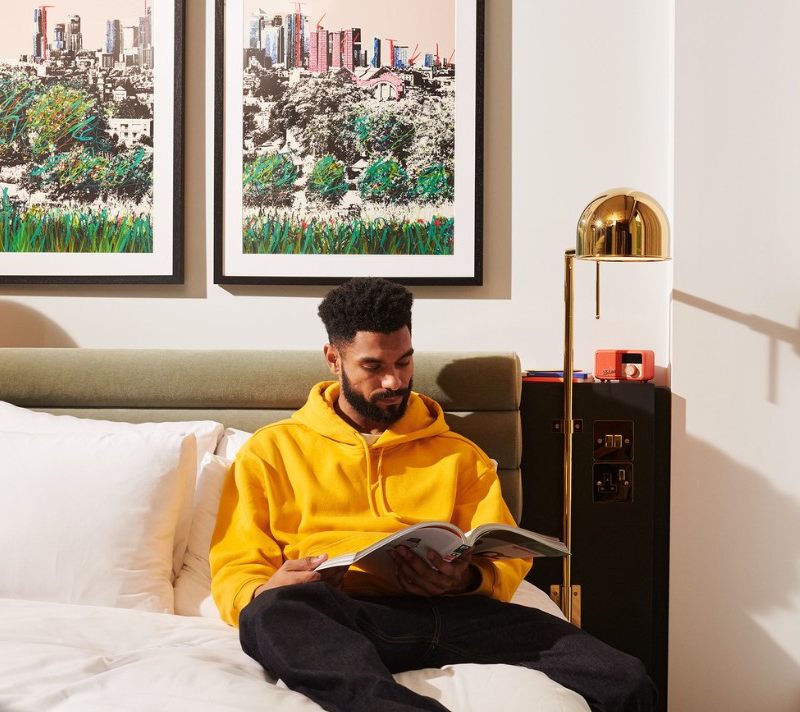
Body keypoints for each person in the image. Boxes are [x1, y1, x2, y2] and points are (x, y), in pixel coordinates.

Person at [210, 277, 655, 712]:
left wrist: (465, 579)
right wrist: (265, 588)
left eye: (404, 362)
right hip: (341, 617)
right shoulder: (271, 451)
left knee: (624, 678)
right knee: (270, 615)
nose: (393, 381)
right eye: (373, 366)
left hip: (455, 614)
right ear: (333, 358)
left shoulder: (459, 454)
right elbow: (235, 566)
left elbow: (505, 556)